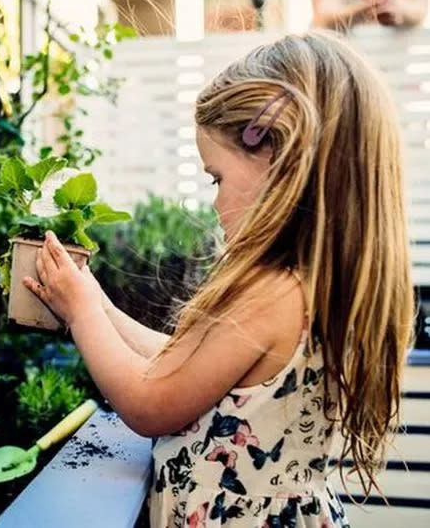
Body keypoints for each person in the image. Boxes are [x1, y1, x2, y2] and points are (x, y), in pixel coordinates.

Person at [23, 30, 413, 527]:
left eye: (217, 178)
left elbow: (149, 403)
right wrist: (96, 301)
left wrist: (80, 315)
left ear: (280, 156)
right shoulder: (306, 286)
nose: (213, 201)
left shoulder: (273, 292)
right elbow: (177, 365)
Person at [312, 0, 428, 30]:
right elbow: (323, 18)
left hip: (395, 60)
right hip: (343, 62)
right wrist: (367, 8)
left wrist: (399, 8)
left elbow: (420, 9)